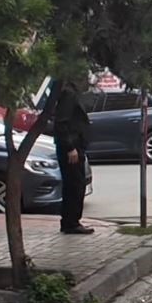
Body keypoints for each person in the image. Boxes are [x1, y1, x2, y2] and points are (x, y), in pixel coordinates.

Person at [51, 81, 92, 235]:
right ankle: (71, 222)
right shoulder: (69, 93)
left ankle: (71, 221)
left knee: (75, 185)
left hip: (76, 145)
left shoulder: (73, 92)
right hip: (71, 148)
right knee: (75, 185)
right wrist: (70, 147)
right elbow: (61, 124)